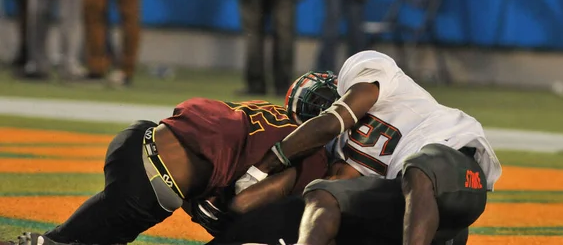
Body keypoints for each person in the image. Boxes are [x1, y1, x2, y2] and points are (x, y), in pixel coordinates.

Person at [8, 71, 338, 245]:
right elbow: (243, 203)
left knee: (64, 241)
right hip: (156, 180)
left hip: (140, 142)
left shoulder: (268, 112)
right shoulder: (308, 152)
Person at [228, 51, 502, 245]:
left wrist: (265, 166)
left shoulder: (362, 70)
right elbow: (338, 187)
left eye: (316, 98)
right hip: (420, 213)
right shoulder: (339, 151)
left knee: (419, 166)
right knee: (323, 194)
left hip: (462, 174)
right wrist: (240, 195)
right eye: (308, 110)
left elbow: (332, 121)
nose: (317, 107)